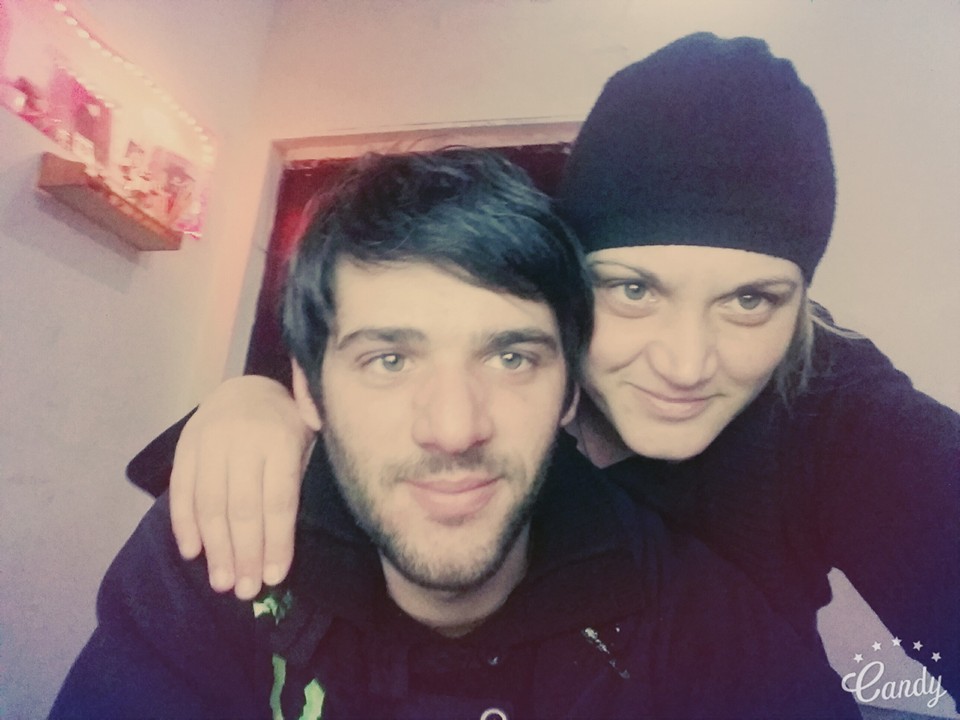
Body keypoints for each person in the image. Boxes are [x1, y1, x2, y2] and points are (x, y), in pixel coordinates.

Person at [156, 33, 959, 699]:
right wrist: (256, 398)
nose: (685, 364)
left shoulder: (844, 417)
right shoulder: (493, 382)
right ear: (565, 282)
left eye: (750, 301)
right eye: (634, 289)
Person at [52, 148, 857, 719]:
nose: (454, 427)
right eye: (390, 359)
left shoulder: (691, 611)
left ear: (569, 393)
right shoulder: (217, 556)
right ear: (307, 390)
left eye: (512, 357)